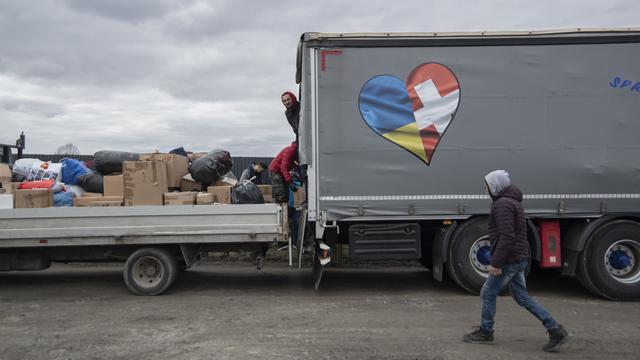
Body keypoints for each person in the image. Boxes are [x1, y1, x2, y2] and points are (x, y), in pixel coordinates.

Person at [463, 170, 569, 352]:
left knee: (488, 293)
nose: (485, 188)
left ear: (495, 186)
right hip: (517, 257)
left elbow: (507, 236)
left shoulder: (502, 205)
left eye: (487, 185)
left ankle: (486, 332)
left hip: (509, 259)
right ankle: (555, 329)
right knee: (521, 297)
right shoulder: (512, 202)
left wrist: (496, 263)